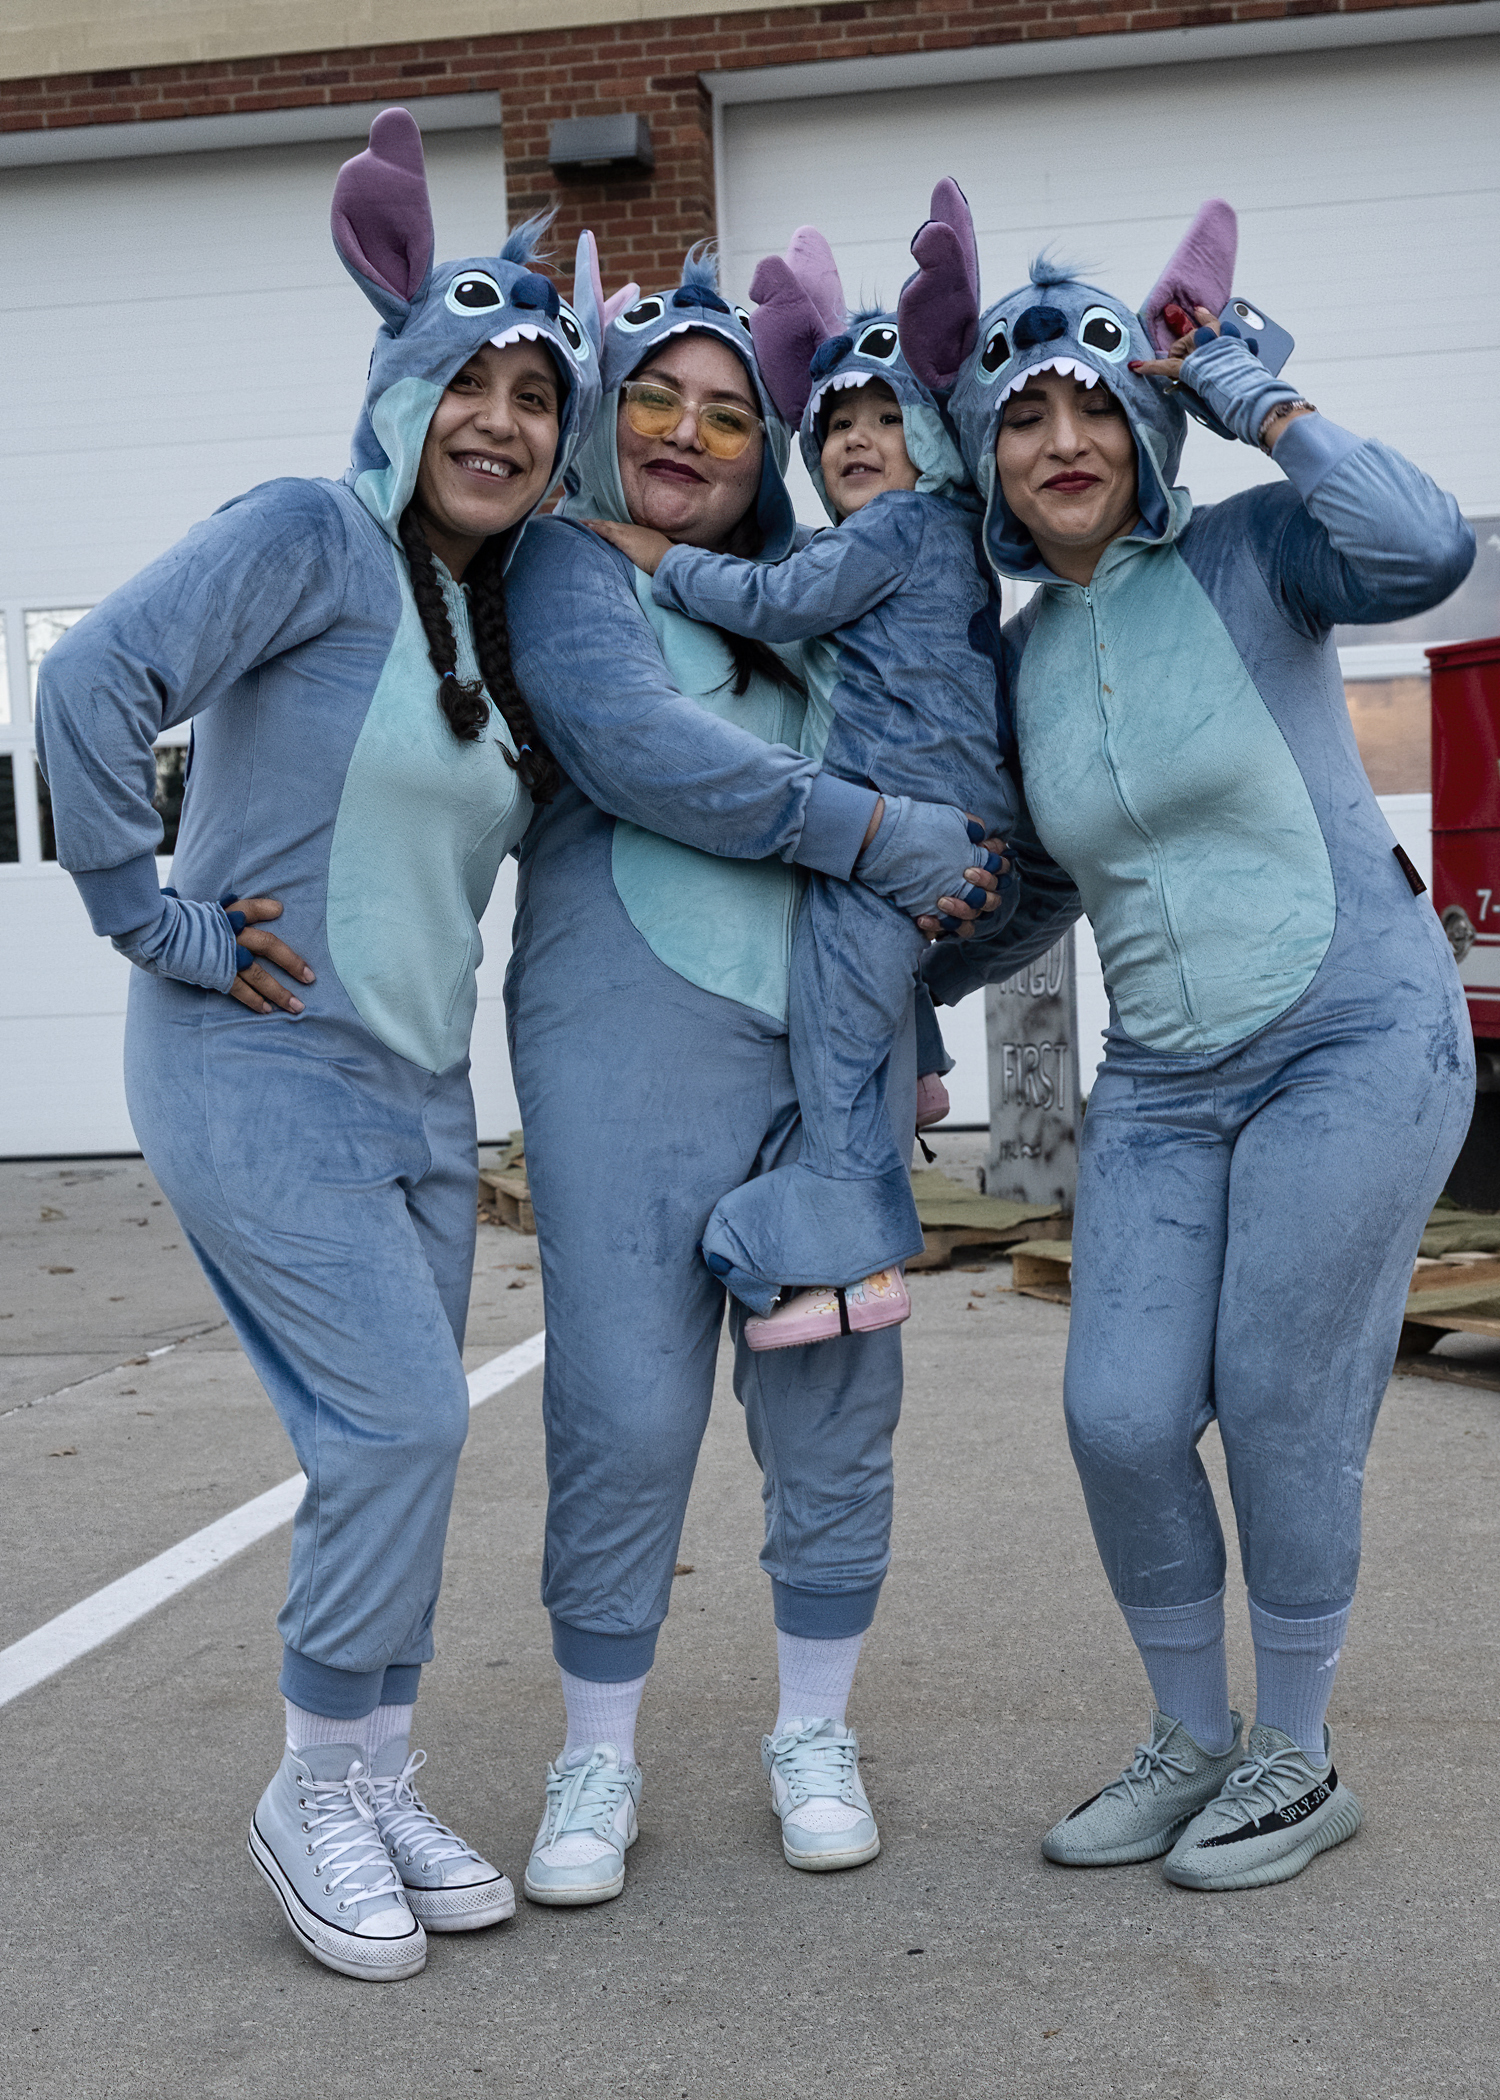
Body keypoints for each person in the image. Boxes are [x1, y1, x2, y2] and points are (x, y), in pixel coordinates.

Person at [35, 110, 604, 1980]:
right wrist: (147, 914)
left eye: (538, 391)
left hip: (417, 1102)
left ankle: (375, 1768)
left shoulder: (500, 613)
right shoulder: (305, 536)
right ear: (404, 382)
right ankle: (304, 1793)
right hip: (254, 1068)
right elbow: (85, 680)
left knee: (403, 1451)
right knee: (401, 1417)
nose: (504, 420)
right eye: (475, 381)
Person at [905, 184, 1475, 1889]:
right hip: (1163, 1076)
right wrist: (884, 993)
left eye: (1093, 400)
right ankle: (1189, 1739)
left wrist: (1254, 396)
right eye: (1024, 416)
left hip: (1354, 1035)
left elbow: (1426, 545)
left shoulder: (1249, 554)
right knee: (1126, 1414)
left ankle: (1297, 1752)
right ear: (988, 460)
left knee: (1281, 1391)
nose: (1063, 439)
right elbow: (1028, 893)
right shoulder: (1015, 660)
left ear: (1144, 424)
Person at [501, 244, 1006, 1900]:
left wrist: (928, 1000)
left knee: (836, 1397)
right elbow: (649, 758)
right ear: (607, 411)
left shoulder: (833, 586)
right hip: (621, 1042)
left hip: (816, 1061)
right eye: (658, 396)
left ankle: (813, 1726)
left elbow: (926, 868)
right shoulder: (575, 566)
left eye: (732, 411)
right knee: (627, 1408)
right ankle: (597, 1749)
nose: (691, 433)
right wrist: (886, 838)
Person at [586, 226, 1011, 1350]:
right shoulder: (945, 537)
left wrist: (653, 556)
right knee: (875, 984)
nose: (859, 442)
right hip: (959, 814)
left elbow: (775, 604)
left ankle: (849, 1245)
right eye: (837, 425)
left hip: (905, 818)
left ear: (932, 432)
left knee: (831, 1016)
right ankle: (916, 1076)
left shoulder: (899, 530)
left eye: (886, 417)